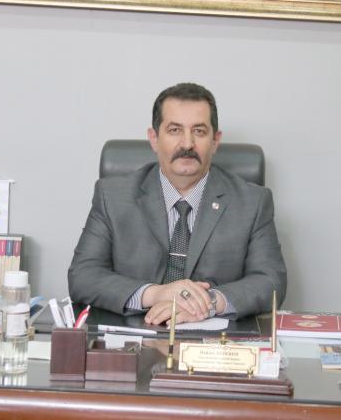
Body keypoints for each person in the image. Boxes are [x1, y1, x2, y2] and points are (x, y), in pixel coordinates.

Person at [68, 83, 287, 325]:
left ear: (215, 141)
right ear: (154, 139)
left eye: (199, 131)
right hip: (134, 335)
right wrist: (155, 294)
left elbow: (271, 282)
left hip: (214, 340)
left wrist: (208, 302)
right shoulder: (112, 196)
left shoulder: (253, 202)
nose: (187, 144)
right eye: (174, 130)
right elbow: (83, 276)